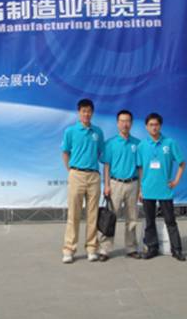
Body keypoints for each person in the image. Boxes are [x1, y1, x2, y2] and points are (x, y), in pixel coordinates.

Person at [137, 112, 187, 262]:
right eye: (151, 125)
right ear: (146, 127)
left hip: (165, 190)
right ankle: (152, 248)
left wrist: (176, 181)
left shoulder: (170, 143)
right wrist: (140, 189)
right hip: (148, 190)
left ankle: (177, 250)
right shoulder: (142, 145)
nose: (154, 127)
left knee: (170, 221)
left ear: (160, 126)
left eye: (156, 124)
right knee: (149, 221)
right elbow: (140, 168)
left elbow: (182, 163)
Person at [61, 98, 104, 264]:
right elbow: (65, 152)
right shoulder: (70, 131)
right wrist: (71, 170)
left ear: (92, 113)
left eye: (89, 111)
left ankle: (92, 249)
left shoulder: (97, 132)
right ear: (79, 112)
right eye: (83, 111)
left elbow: (100, 152)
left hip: (93, 176)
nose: (86, 114)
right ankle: (69, 250)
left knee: (93, 214)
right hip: (76, 174)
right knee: (74, 214)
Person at [97, 110, 141, 262]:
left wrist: (141, 188)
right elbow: (106, 166)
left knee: (132, 218)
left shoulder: (137, 144)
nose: (125, 124)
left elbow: (140, 168)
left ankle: (131, 248)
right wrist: (106, 185)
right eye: (122, 121)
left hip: (133, 184)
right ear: (117, 123)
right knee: (110, 218)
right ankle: (105, 249)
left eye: (127, 121)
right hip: (115, 184)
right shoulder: (110, 143)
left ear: (131, 123)